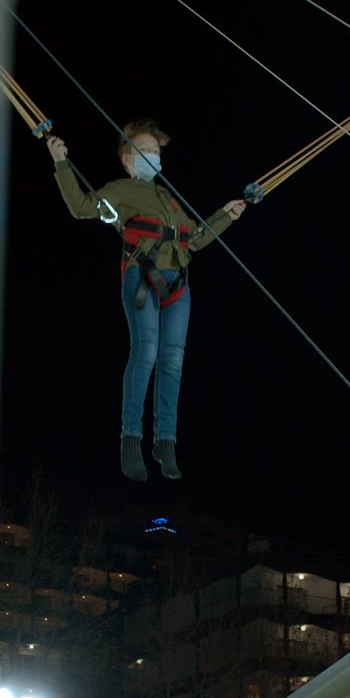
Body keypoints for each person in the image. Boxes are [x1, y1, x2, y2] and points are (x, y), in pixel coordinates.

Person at [48, 119, 246, 482]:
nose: (152, 157)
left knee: (173, 360)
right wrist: (61, 162)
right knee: (147, 352)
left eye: (156, 152)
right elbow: (81, 206)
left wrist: (227, 215)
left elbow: (196, 239)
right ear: (127, 158)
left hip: (178, 283)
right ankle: (131, 438)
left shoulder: (169, 199)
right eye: (145, 151)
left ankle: (165, 442)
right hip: (142, 277)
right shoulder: (122, 189)